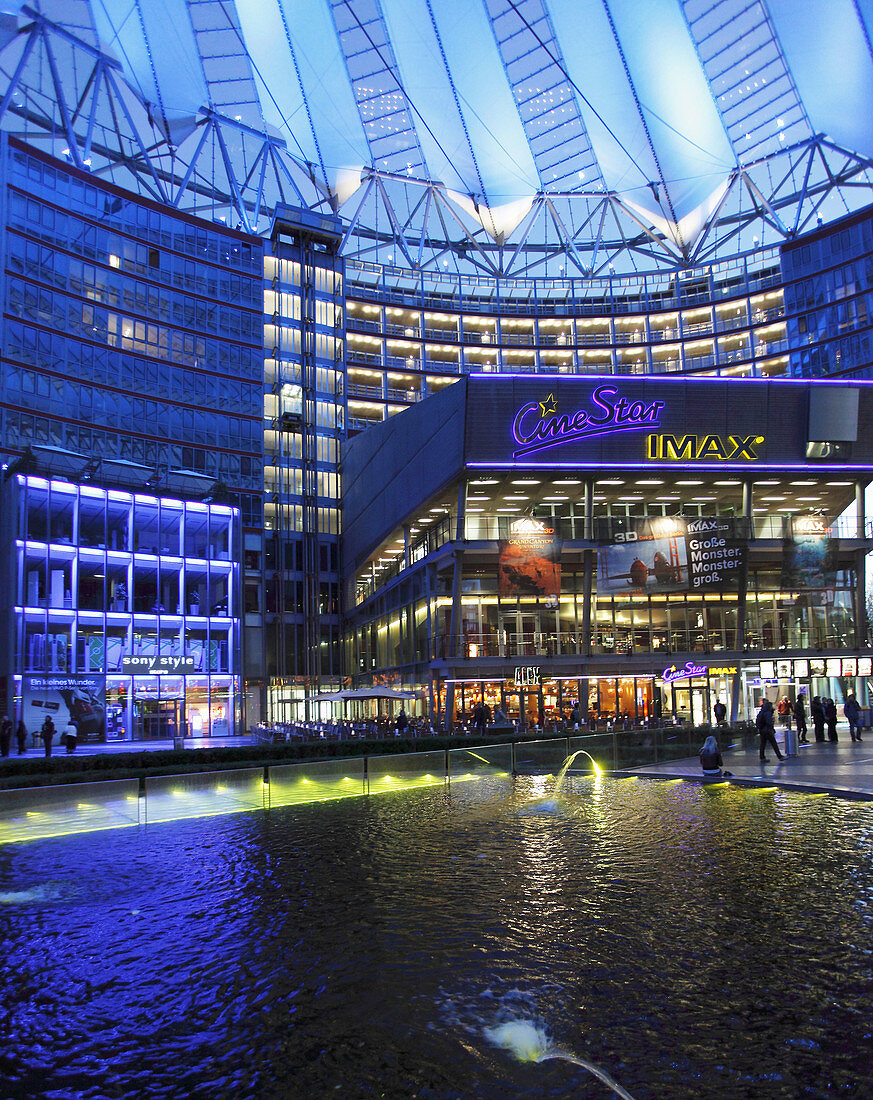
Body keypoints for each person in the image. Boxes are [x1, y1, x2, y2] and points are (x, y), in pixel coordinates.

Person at [756, 699, 785, 763]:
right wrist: (772, 729)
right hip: (767, 730)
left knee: (763, 744)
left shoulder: (762, 711)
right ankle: (780, 756)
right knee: (774, 743)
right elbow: (769, 722)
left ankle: (762, 757)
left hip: (762, 730)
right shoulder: (768, 712)